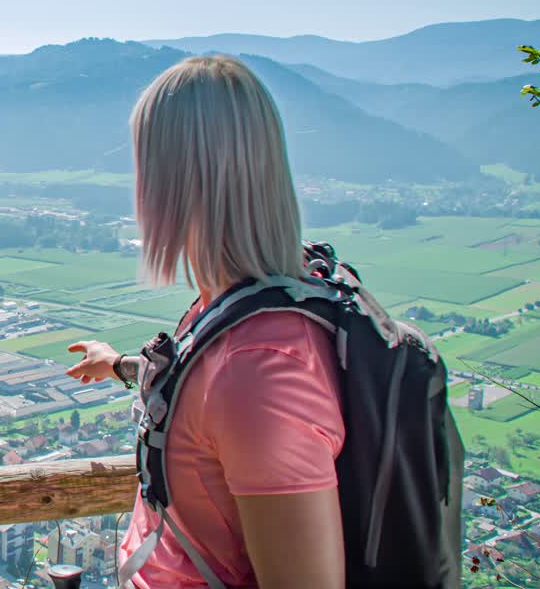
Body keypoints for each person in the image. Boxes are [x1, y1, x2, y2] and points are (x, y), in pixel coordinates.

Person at [66, 55, 345, 589]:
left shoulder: (259, 370)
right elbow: (197, 389)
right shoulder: (246, 305)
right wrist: (120, 365)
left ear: (171, 179)